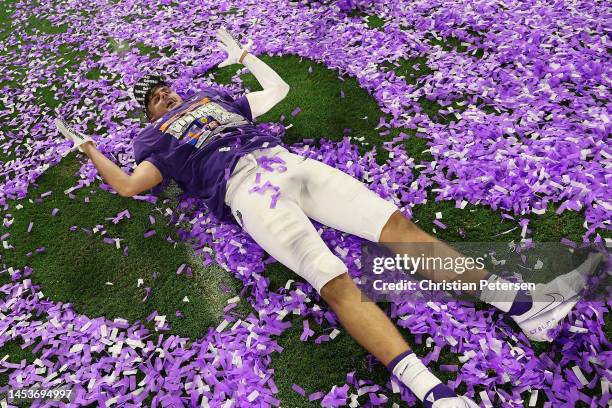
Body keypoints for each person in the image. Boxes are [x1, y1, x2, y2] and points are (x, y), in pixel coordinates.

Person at [55, 27, 601, 408]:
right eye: (154, 98)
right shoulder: (155, 140)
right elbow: (129, 186)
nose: (164, 95)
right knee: (336, 283)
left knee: (399, 230)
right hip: (248, 196)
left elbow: (278, 91)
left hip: (286, 163)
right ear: (148, 115)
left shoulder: (210, 99)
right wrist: (89, 149)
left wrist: (244, 57)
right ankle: (435, 394)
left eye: (165, 87)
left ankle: (523, 303)